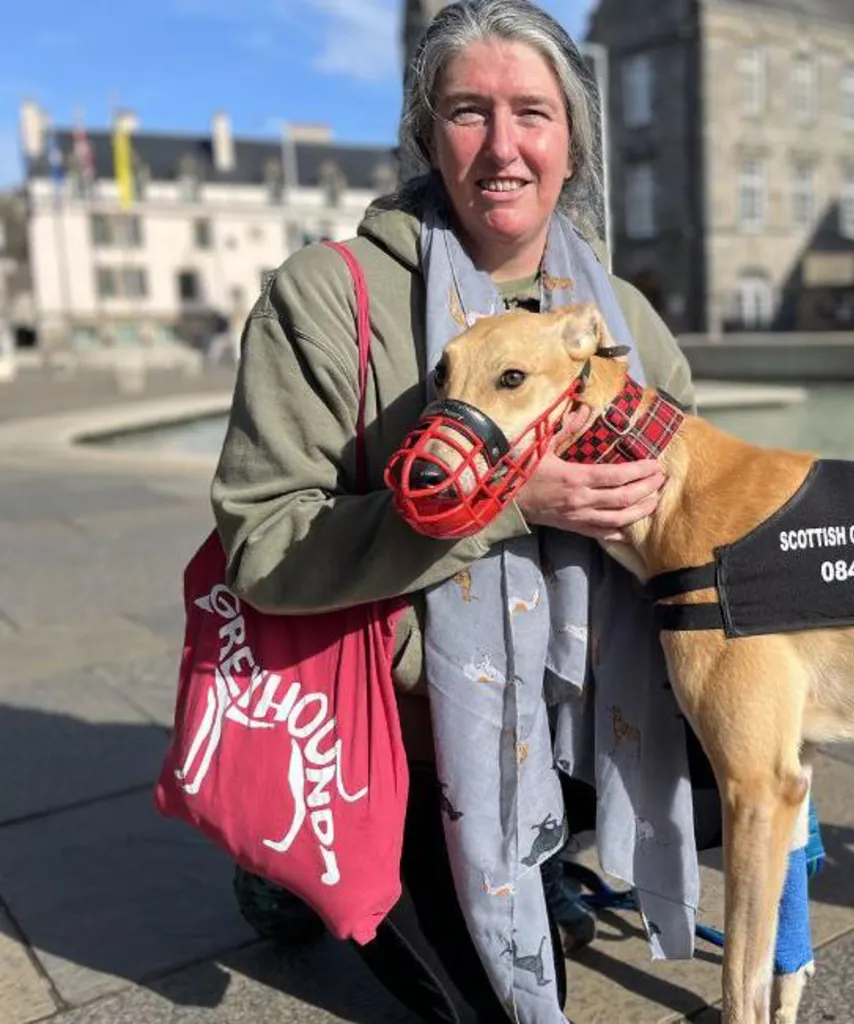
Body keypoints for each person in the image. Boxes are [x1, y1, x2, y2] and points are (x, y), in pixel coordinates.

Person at [209, 1, 701, 1019]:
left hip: (576, 702)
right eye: (469, 112)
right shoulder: (326, 299)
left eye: (534, 112)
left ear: (574, 140)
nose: (505, 147)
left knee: (728, 756)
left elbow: (696, 500)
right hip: (403, 732)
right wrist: (504, 502)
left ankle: (551, 834)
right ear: (427, 134)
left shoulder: (625, 319)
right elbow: (261, 545)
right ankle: (282, 865)